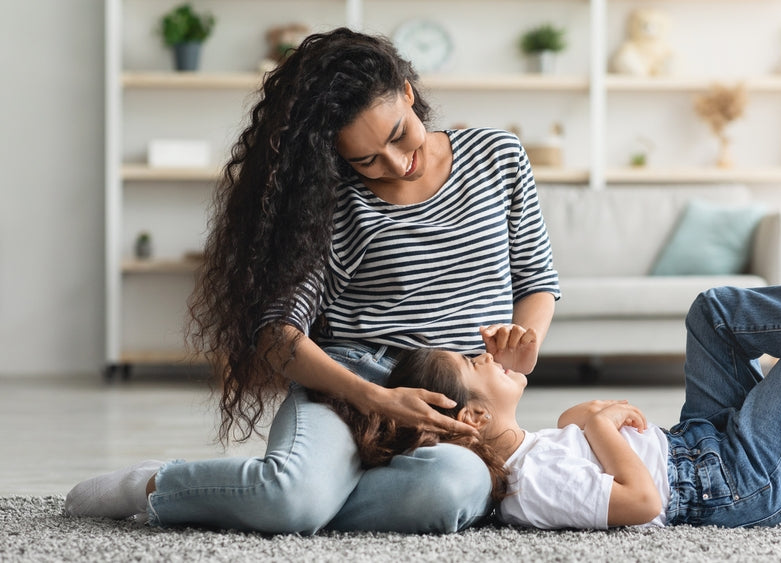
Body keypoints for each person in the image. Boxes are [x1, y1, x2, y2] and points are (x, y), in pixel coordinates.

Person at [64, 27, 559, 534]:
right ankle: (154, 485)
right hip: (352, 384)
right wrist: (374, 398)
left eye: (397, 136)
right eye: (364, 160)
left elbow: (537, 280)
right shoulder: (327, 199)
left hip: (456, 401)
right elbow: (277, 335)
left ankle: (306, 491)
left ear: (407, 94)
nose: (394, 165)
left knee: (447, 492)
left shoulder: (498, 157)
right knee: (290, 502)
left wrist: (522, 350)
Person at [354, 284, 781, 529]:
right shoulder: (530, 488)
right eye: (479, 366)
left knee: (708, 310)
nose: (494, 356)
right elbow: (642, 501)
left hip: (696, 442)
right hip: (735, 486)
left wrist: (582, 419)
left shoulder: (523, 455)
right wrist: (602, 425)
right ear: (475, 417)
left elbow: (570, 435)